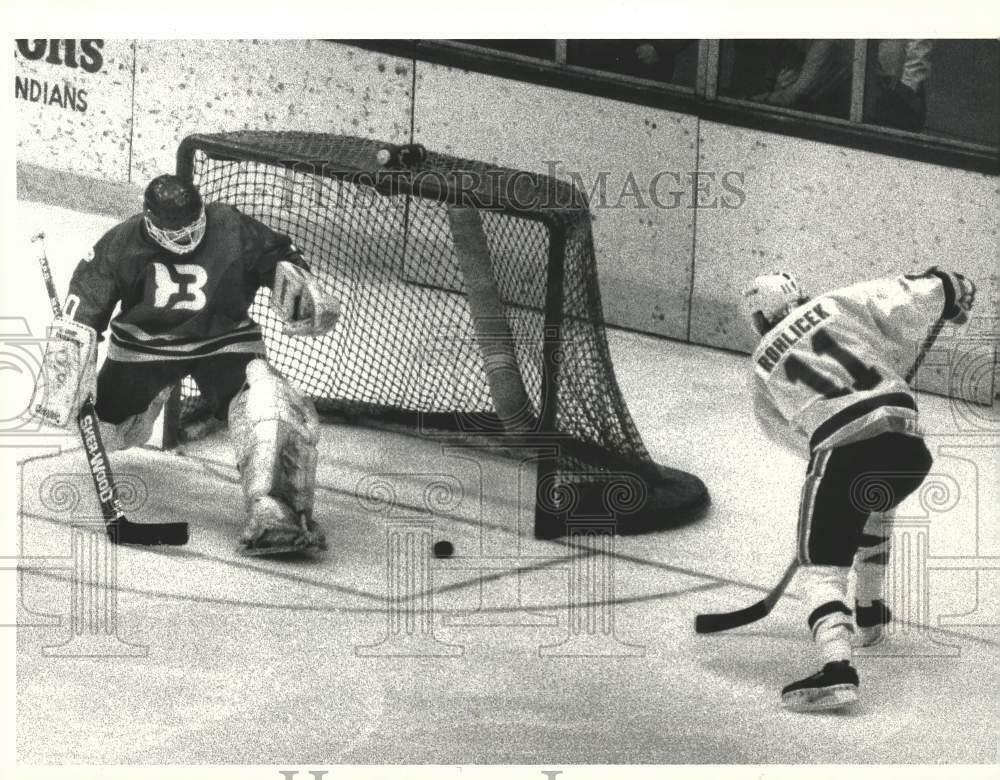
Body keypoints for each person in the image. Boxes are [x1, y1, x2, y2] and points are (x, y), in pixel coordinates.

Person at [32, 174, 340, 555]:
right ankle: (146, 403)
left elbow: (278, 255)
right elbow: (82, 309)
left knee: (269, 399)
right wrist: (69, 368)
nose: (186, 240)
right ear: (148, 220)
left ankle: (273, 510)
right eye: (174, 234)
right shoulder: (120, 243)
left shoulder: (229, 224)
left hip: (223, 344)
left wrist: (300, 282)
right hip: (144, 351)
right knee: (105, 432)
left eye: (193, 228)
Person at [741, 267, 976, 711]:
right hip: (908, 450)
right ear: (799, 295)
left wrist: (827, 480)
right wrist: (952, 290)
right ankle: (869, 612)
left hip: (841, 451)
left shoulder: (760, 363)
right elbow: (906, 295)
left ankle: (836, 668)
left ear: (758, 317)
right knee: (875, 506)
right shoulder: (834, 304)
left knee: (821, 569)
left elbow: (780, 430)